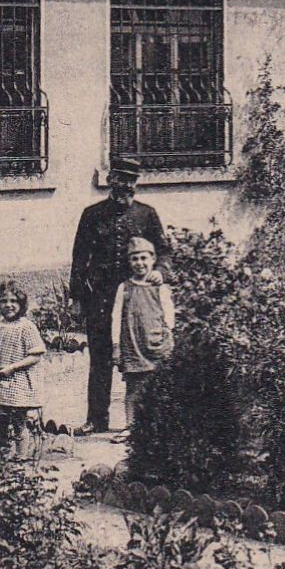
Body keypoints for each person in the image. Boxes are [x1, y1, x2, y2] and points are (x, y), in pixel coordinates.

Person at [69, 158, 168, 436]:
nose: (126, 186)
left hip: (135, 298)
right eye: (120, 179)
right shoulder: (92, 214)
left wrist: (160, 271)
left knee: (139, 359)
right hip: (100, 298)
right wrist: (77, 298)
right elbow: (79, 257)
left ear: (136, 183)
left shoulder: (146, 215)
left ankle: (141, 421)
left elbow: (164, 251)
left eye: (131, 180)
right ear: (110, 179)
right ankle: (96, 419)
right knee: (100, 357)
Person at [109, 236, 176, 444]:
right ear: (129, 262)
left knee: (158, 385)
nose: (140, 263)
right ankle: (131, 426)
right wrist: (116, 346)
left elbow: (169, 315)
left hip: (156, 343)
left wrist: (167, 336)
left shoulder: (159, 287)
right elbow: (115, 317)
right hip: (132, 345)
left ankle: (158, 426)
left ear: (153, 259)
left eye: (144, 258)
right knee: (133, 387)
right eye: (134, 259)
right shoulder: (125, 287)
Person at [0, 279, 46, 462]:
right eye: (4, 301)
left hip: (19, 380)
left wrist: (12, 367)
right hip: (0, 381)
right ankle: (4, 452)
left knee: (19, 420)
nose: (8, 305)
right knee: (0, 418)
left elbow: (36, 355)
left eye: (13, 301)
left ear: (21, 303)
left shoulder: (26, 327)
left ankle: (21, 455)